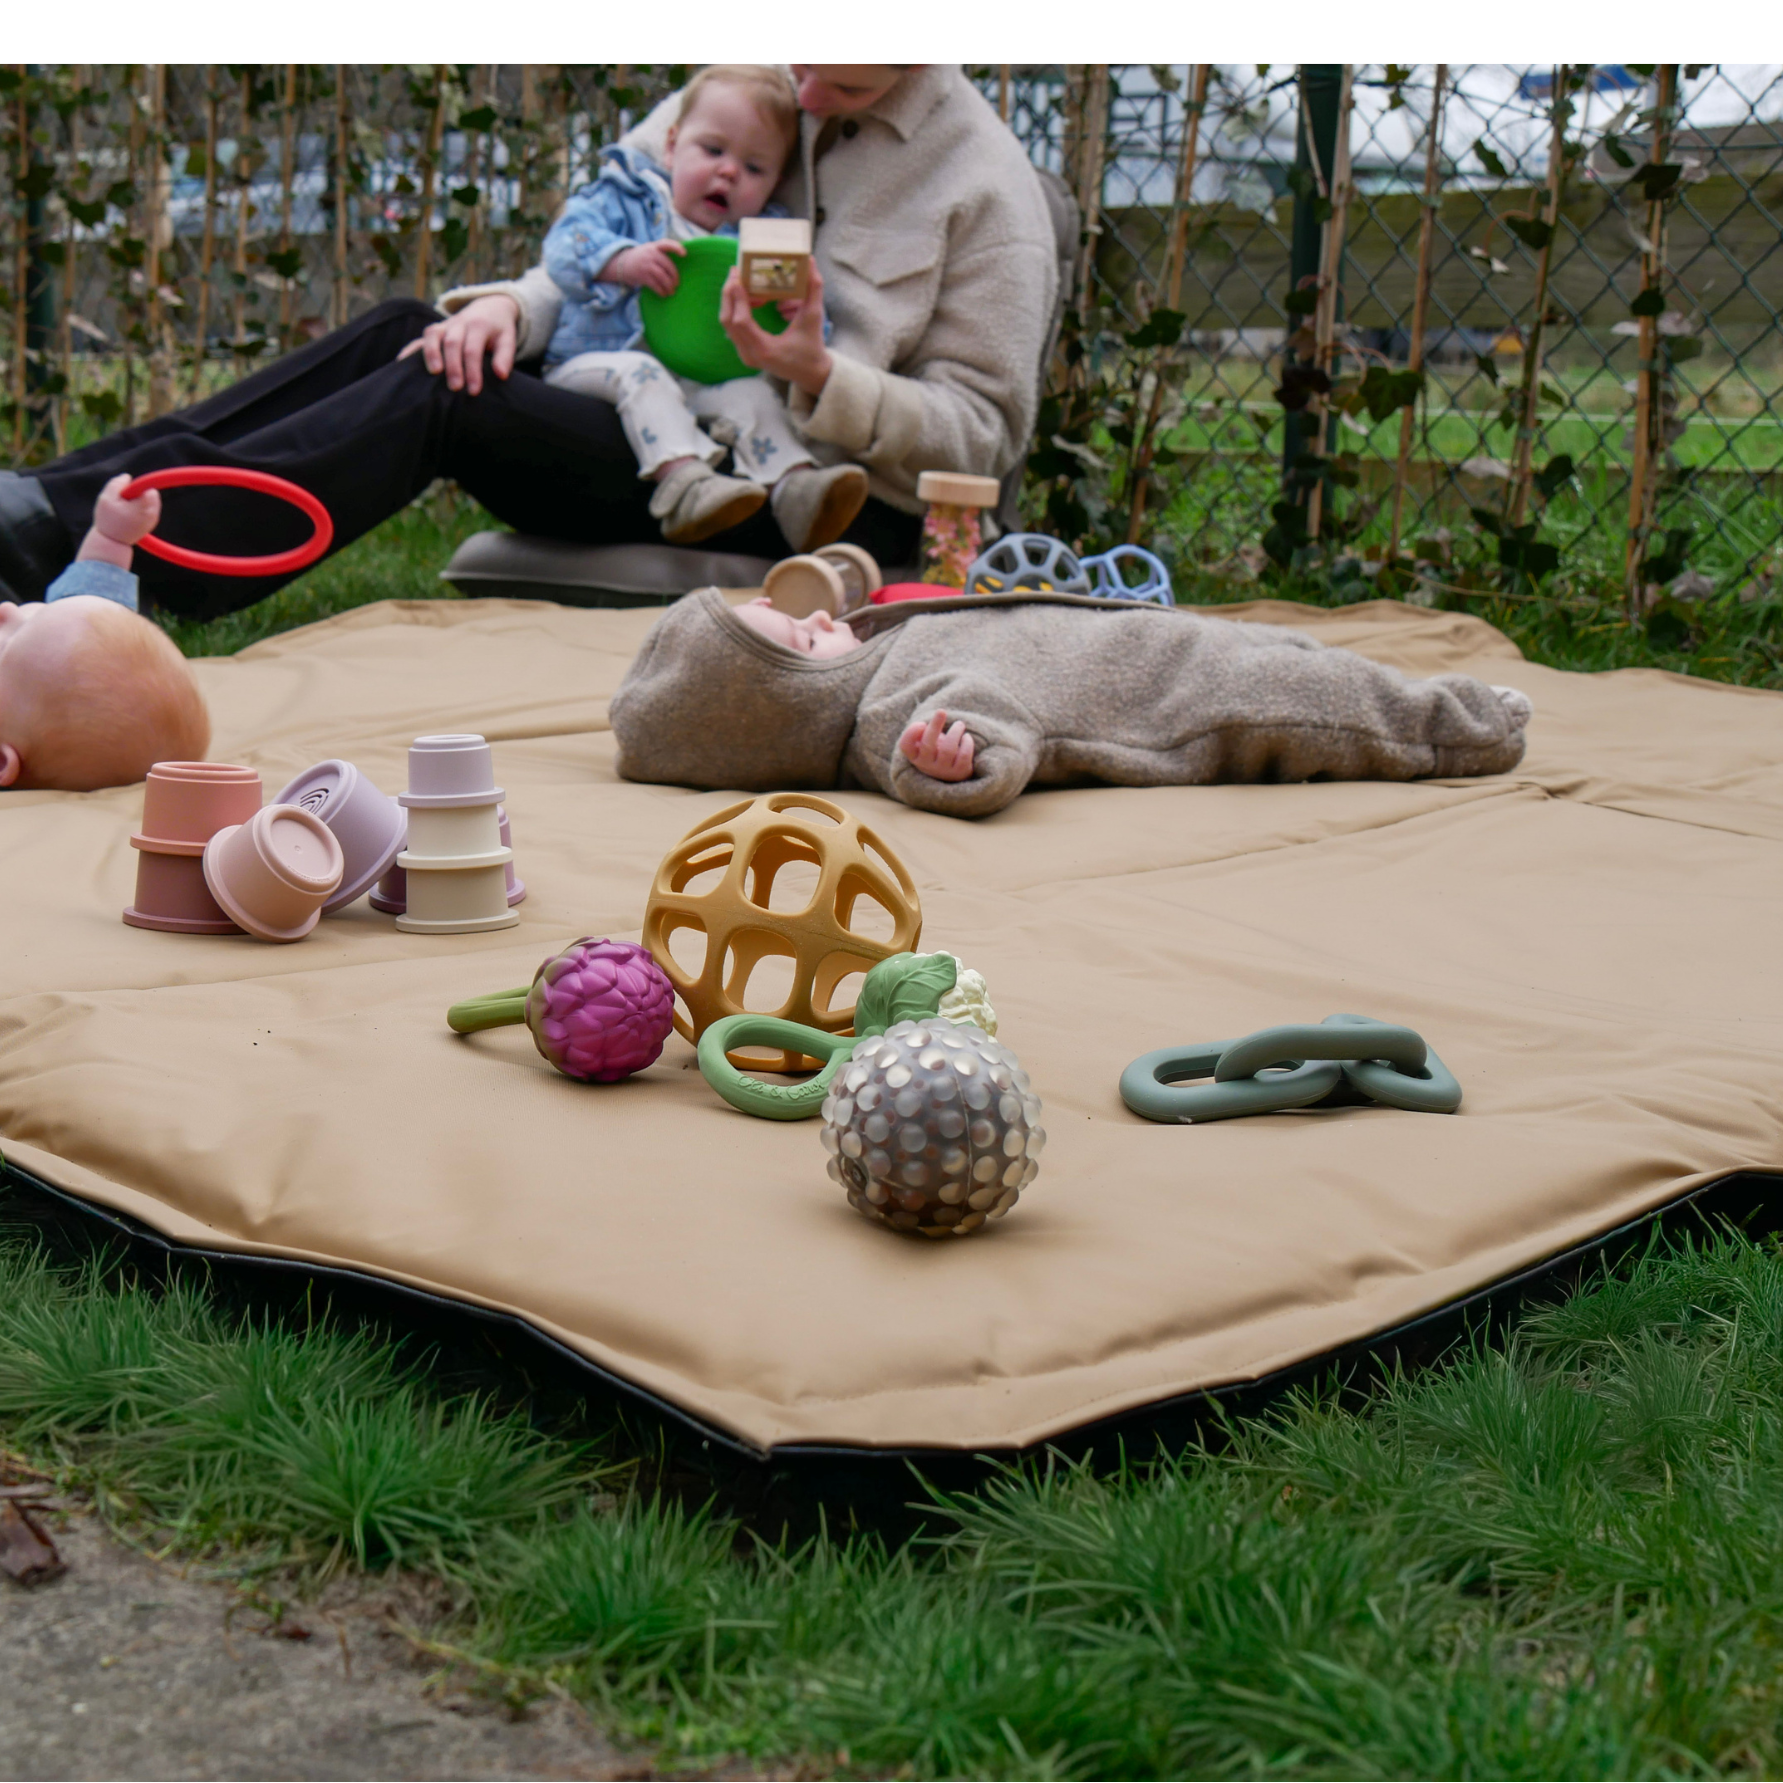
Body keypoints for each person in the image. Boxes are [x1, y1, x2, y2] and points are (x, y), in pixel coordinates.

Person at [0, 65, 1057, 622]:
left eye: (847, 89)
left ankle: (126, 560)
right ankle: (50, 500)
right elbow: (600, 232)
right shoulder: (761, 80)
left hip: (790, 491)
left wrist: (819, 372)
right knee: (416, 330)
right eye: (803, 64)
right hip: (646, 407)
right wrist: (508, 306)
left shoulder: (984, 189)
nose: (808, 99)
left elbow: (983, 438)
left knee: (447, 393)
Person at [607, 587, 1534, 820]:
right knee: (1312, 701)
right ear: (790, 709)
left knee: (1289, 653)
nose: (820, 618)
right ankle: (1465, 728)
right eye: (804, 641)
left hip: (1139, 636)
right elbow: (985, 742)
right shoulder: (890, 716)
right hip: (1165, 700)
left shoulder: (875, 650)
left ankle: (1427, 704)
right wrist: (951, 766)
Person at [541, 64, 868, 550]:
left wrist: (793, 314)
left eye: (754, 169)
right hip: (598, 361)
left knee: (754, 394)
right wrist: (620, 261)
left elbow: (803, 334)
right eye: (713, 151)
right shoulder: (629, 195)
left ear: (775, 182)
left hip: (696, 378)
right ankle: (685, 486)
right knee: (641, 375)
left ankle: (795, 488)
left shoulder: (760, 243)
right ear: (672, 146)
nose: (729, 172)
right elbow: (562, 248)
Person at [1, 475, 209, 791]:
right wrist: (112, 536)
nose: (7, 610)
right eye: (36, 612)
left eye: (6, 645)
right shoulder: (54, 646)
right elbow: (90, 590)